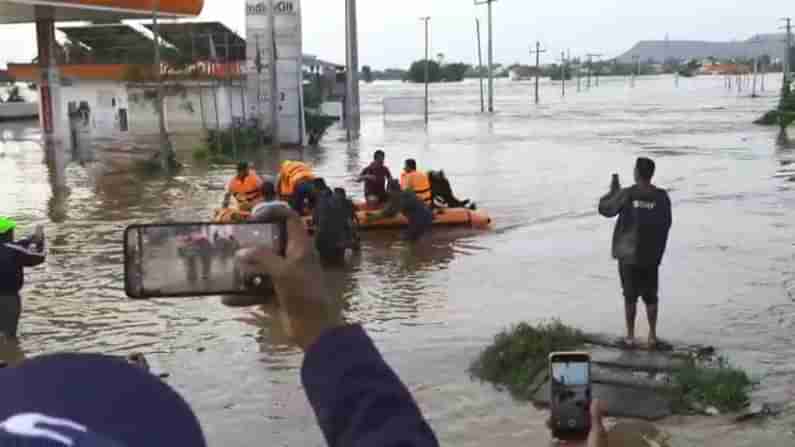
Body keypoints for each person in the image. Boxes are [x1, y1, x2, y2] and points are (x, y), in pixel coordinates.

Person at [599, 157, 672, 348]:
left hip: (628, 256)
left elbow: (605, 209)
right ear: (651, 174)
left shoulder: (627, 194)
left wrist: (612, 191)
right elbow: (667, 223)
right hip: (651, 256)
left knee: (629, 296)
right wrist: (657, 248)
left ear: (637, 173)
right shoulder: (662, 197)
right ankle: (653, 337)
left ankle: (630, 337)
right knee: (651, 297)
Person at [0, 218, 45, 339]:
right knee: (9, 336)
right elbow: (39, 257)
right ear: (8, 233)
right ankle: (9, 355)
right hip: (9, 299)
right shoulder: (15, 250)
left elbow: (20, 243)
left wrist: (30, 239)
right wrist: (40, 240)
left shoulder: (15, 248)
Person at [366, 180, 433, 241]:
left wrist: (371, 218)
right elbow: (390, 209)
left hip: (420, 220)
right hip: (426, 216)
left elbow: (389, 213)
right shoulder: (406, 192)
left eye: (388, 190)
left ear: (391, 190)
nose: (388, 193)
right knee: (410, 238)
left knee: (407, 240)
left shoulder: (398, 197)